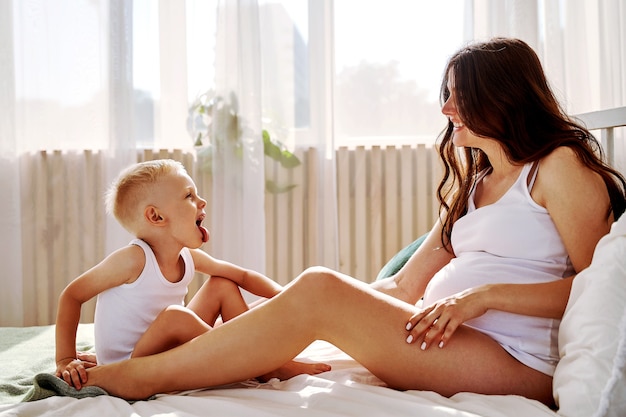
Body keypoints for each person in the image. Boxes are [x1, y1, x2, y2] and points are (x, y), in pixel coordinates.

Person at [80, 37, 626, 406]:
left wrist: (484, 297)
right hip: (446, 340)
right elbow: (402, 285)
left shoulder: (559, 167)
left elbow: (598, 287)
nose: (445, 109)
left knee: (319, 288)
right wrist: (294, 314)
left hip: (517, 359)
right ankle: (145, 363)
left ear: (500, 95)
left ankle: (131, 377)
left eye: (457, 96)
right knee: (317, 290)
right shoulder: (473, 184)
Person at [55, 159, 330, 389]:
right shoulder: (132, 260)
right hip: (131, 364)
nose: (202, 201)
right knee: (176, 316)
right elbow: (72, 295)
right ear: (156, 217)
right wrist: (65, 359)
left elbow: (243, 276)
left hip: (166, 349)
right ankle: (266, 364)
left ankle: (251, 351)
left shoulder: (187, 257)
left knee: (222, 285)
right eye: (189, 196)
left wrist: (290, 297)